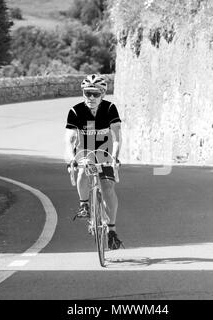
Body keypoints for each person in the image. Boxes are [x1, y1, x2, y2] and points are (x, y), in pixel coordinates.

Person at [65, 74, 124, 250]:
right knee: (83, 171)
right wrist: (71, 159)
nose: (91, 97)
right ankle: (84, 204)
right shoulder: (76, 111)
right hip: (84, 151)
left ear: (103, 94)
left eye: (95, 94)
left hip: (105, 152)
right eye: (87, 93)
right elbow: (69, 138)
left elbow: (117, 137)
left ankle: (112, 231)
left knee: (108, 188)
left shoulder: (110, 109)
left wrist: (115, 157)